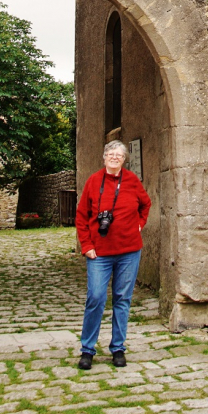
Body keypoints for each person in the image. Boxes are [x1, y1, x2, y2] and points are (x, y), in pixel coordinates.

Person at [75, 140, 151, 369]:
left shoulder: (131, 181)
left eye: (119, 154)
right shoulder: (93, 181)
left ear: (124, 159)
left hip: (129, 251)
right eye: (111, 154)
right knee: (96, 298)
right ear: (104, 157)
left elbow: (145, 204)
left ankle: (118, 348)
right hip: (100, 253)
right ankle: (87, 349)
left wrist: (139, 225)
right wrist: (86, 244)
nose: (115, 157)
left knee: (122, 299)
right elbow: (81, 216)